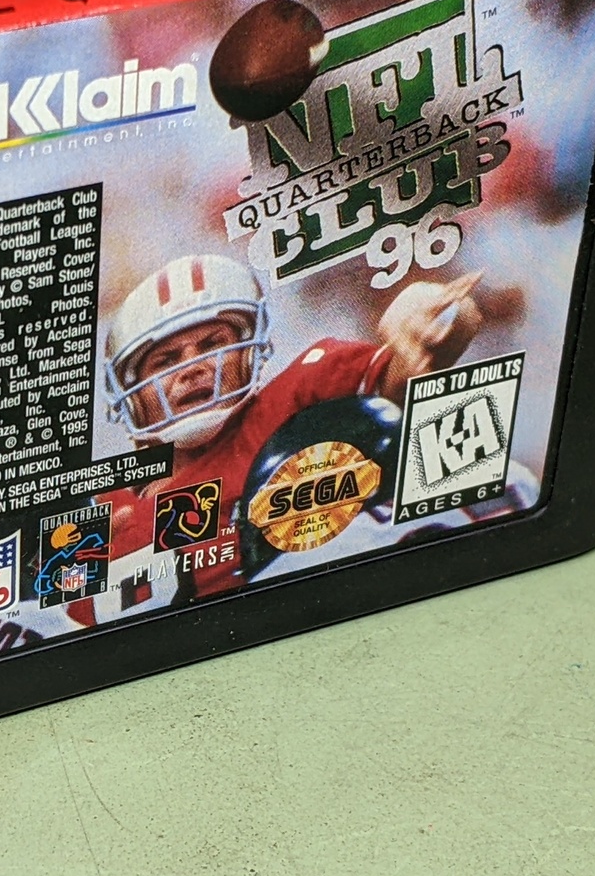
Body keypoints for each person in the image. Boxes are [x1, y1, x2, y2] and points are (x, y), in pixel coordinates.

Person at [81, 253, 483, 613]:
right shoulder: (103, 514)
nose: (192, 367)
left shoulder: (297, 395)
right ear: (132, 392)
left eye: (211, 345)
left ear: (247, 350)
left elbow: (408, 374)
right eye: (166, 360)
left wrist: (435, 313)